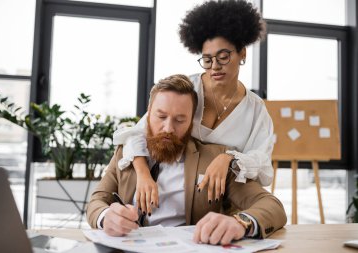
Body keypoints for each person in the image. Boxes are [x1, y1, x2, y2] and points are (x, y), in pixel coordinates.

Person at [113, 0, 274, 216]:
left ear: (242, 53)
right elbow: (138, 133)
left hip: (221, 208)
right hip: (167, 198)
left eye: (223, 56)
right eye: (207, 59)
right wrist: (143, 175)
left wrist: (228, 158)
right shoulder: (187, 90)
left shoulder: (255, 110)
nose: (215, 66)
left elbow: (262, 165)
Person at [87, 74, 287, 245]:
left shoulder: (214, 159)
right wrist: (106, 218)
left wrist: (241, 223)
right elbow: (97, 201)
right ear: (148, 115)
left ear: (192, 122)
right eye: (161, 116)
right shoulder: (127, 153)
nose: (168, 128)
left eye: (180, 120)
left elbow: (272, 206)